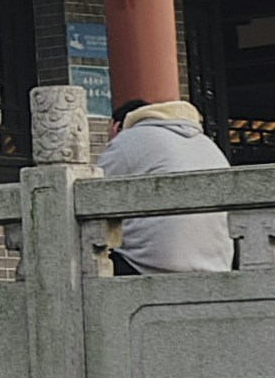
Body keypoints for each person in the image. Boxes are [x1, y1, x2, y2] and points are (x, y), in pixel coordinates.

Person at [98, 94, 230, 273]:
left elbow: (97, 195)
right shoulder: (208, 144)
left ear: (117, 126)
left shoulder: (128, 139)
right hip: (217, 265)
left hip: (151, 264)